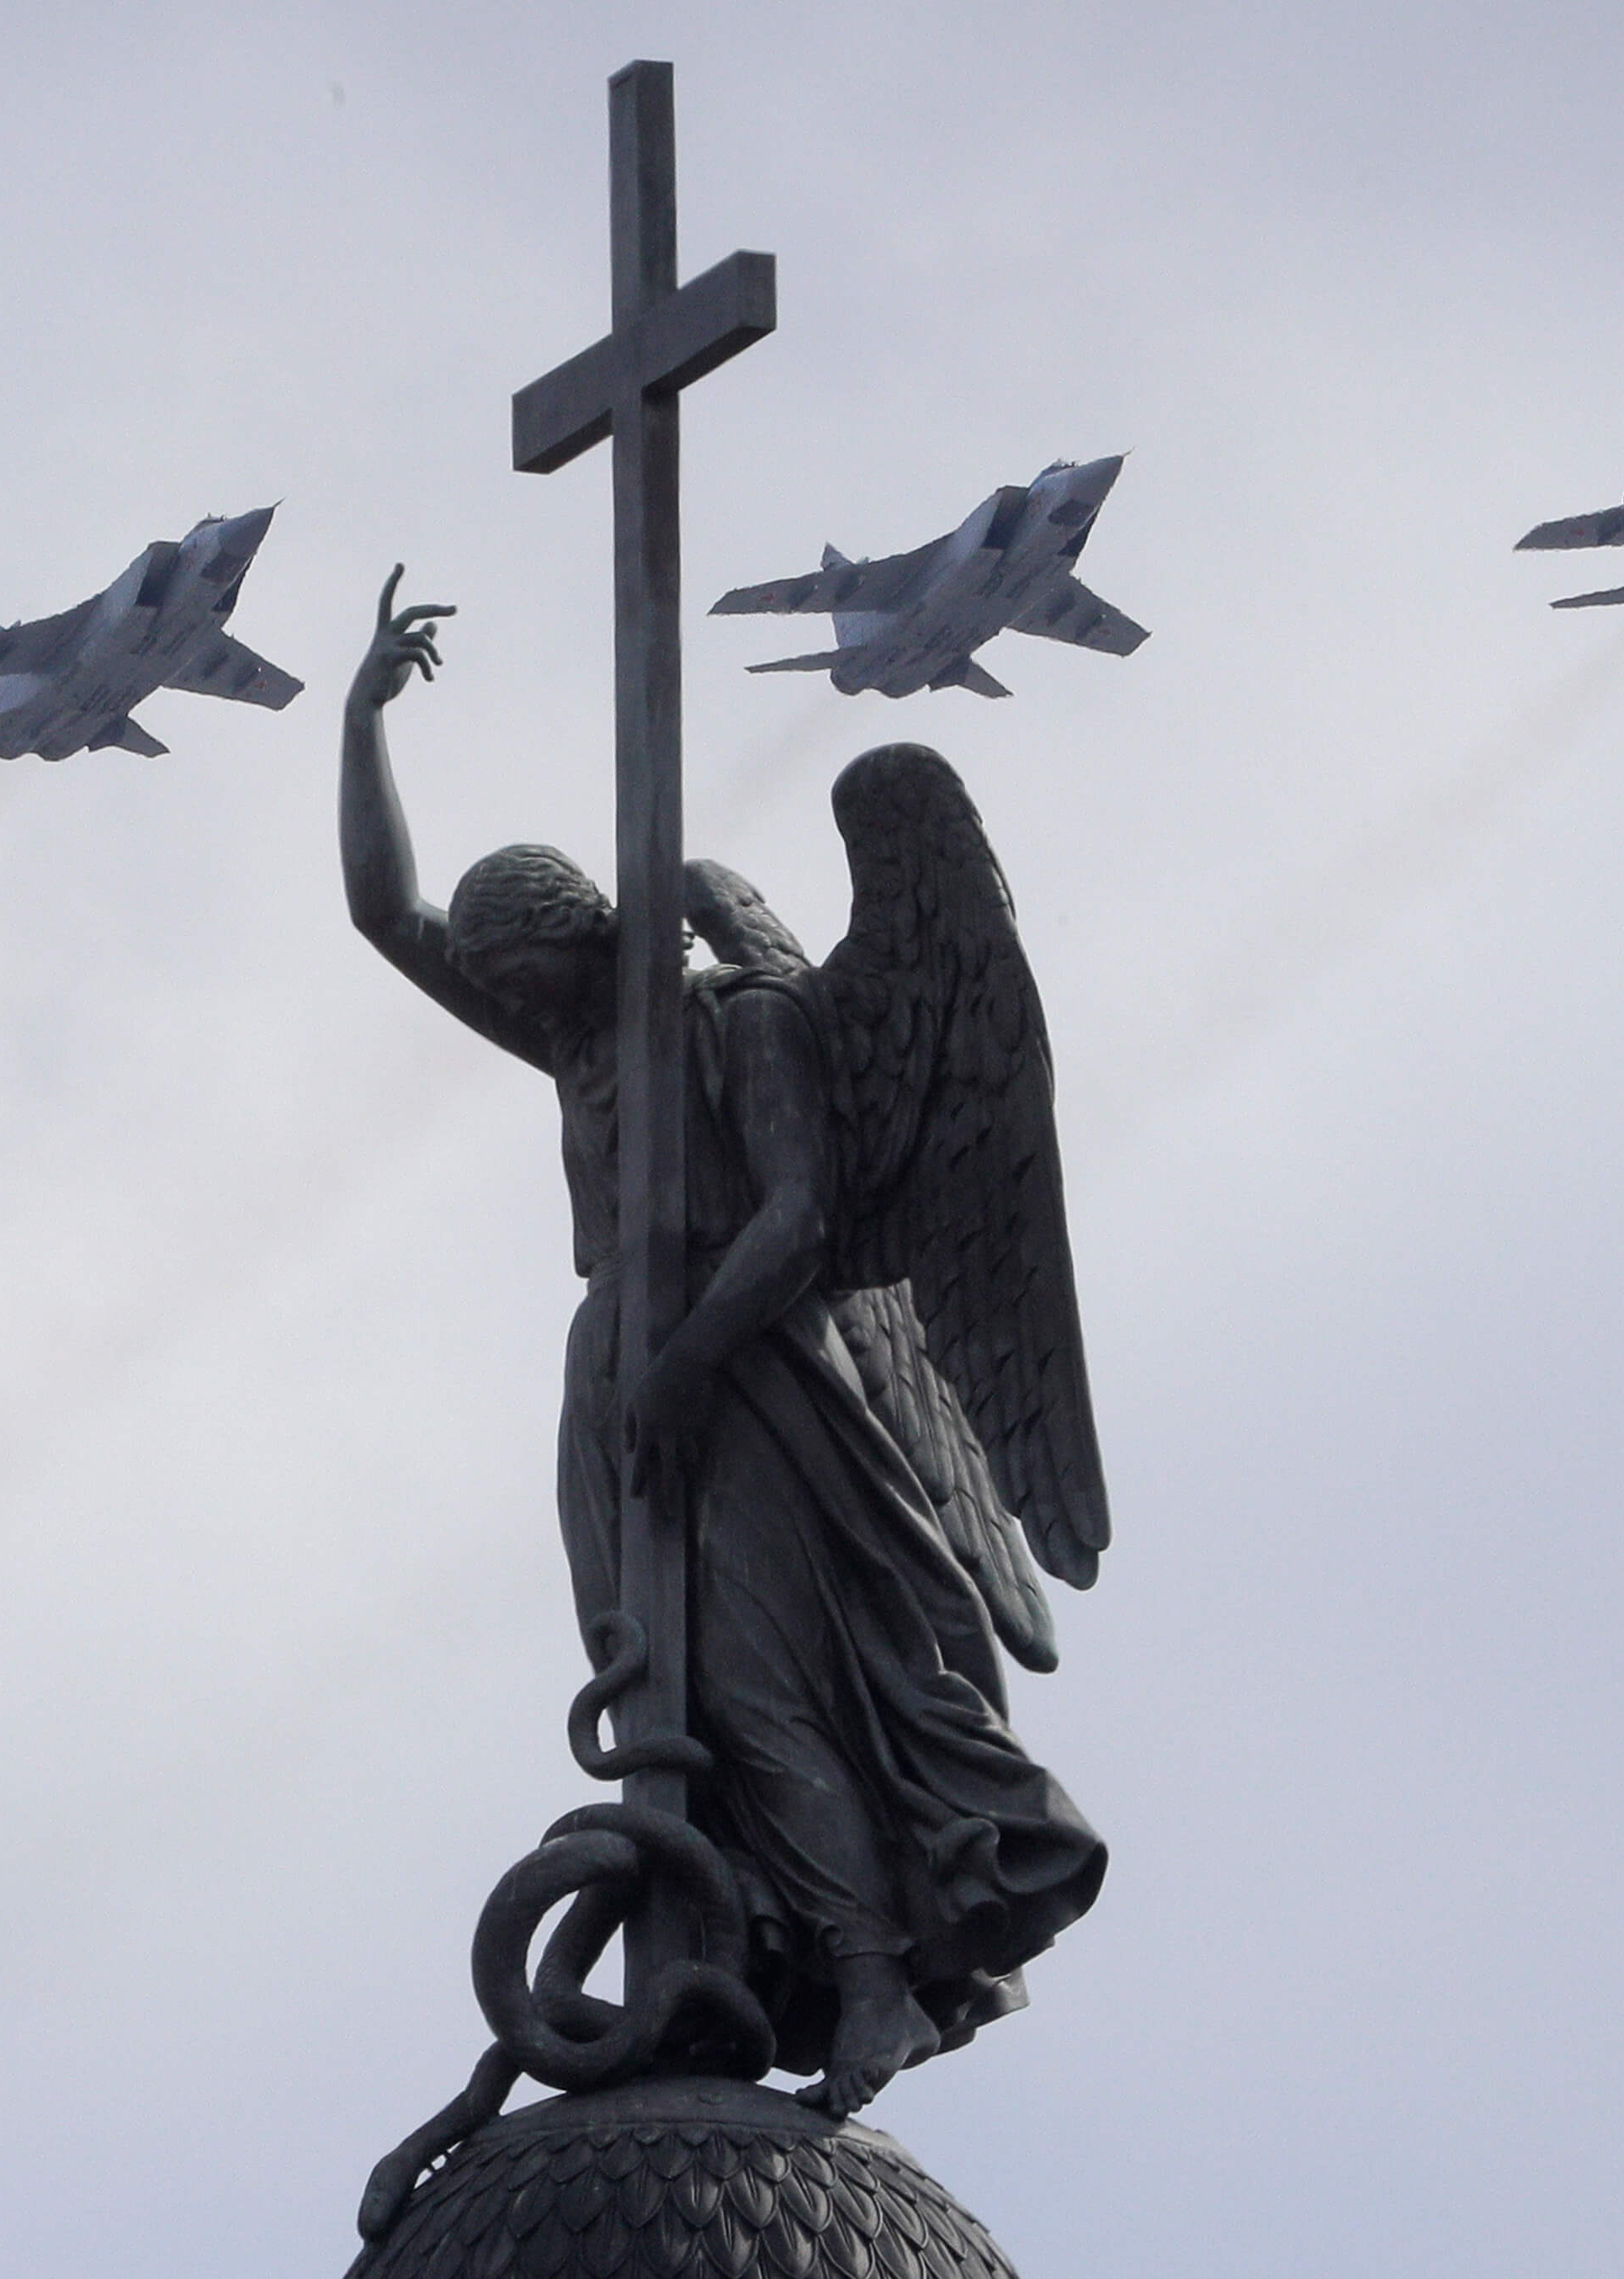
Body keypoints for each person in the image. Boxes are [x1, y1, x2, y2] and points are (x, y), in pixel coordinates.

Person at [337, 573, 1105, 2116]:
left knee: (764, 1679)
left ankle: (876, 1974)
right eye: (496, 991)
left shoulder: (744, 1022)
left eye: (523, 977)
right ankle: (721, 1933)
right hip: (618, 1372)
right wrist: (361, 720)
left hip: (748, 1370)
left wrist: (687, 1358)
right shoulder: (570, 1038)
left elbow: (803, 1223)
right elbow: (382, 916)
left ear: (580, 937)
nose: (506, 1010)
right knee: (657, 1693)